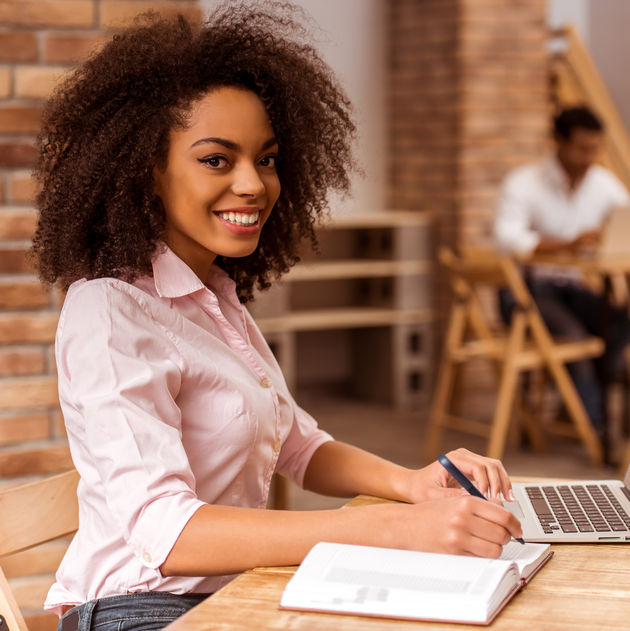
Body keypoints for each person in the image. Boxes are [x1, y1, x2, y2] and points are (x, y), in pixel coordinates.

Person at [33, 4, 522, 630]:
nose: (254, 184)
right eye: (217, 159)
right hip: (140, 611)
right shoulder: (108, 311)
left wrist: (414, 485)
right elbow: (168, 535)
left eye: (265, 159)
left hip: (237, 595)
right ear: (145, 169)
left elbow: (298, 445)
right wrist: (382, 528)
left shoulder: (216, 297)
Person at [493, 105, 630, 436]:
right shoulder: (523, 183)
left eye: (595, 148)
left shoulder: (603, 183)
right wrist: (568, 244)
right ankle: (596, 430)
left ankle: (578, 413)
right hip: (525, 293)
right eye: (582, 148)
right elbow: (507, 239)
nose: (590, 156)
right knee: (574, 338)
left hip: (572, 289)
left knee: (622, 328)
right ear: (558, 141)